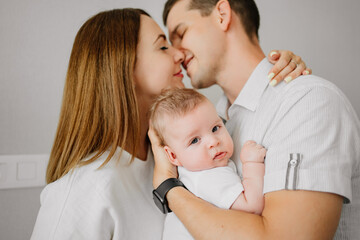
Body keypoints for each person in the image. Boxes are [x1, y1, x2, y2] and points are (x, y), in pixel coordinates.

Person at [30, 7, 310, 240]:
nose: (179, 54)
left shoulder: (179, 156)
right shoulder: (83, 190)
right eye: (163, 46)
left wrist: (277, 71)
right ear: (124, 68)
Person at [149, 0, 360, 239]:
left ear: (221, 14)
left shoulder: (306, 101)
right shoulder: (215, 120)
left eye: (181, 33)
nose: (176, 53)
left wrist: (169, 188)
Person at [150, 88, 266, 239]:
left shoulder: (195, 169)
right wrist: (252, 163)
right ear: (173, 156)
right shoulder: (209, 177)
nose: (213, 141)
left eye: (215, 128)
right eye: (195, 140)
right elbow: (251, 207)